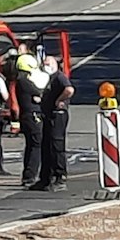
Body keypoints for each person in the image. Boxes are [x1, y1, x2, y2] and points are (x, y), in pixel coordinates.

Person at [31, 55, 75, 190]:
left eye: (47, 63)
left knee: (56, 145)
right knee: (46, 145)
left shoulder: (59, 76)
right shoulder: (45, 78)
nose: (45, 65)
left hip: (58, 115)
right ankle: (45, 178)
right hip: (48, 114)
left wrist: (59, 100)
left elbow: (69, 90)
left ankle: (60, 177)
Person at [13, 50, 50, 187]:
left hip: (27, 116)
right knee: (36, 146)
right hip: (32, 116)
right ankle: (30, 175)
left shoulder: (20, 82)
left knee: (31, 146)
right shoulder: (25, 82)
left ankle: (28, 174)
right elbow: (39, 92)